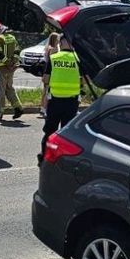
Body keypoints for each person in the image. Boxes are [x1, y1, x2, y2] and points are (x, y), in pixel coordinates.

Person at [40, 33, 81, 163]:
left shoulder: (54, 58)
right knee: (66, 133)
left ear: (61, 43)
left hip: (55, 101)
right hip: (71, 102)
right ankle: (63, 159)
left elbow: (45, 79)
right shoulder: (77, 60)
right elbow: (85, 81)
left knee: (50, 131)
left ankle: (45, 157)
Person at [0, 18, 23, 119]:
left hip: (2, 68)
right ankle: (18, 108)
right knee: (9, 88)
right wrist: (12, 63)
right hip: (11, 68)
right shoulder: (12, 37)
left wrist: (7, 63)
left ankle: (0, 112)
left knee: (1, 90)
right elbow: (17, 50)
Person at [39, 32, 60, 118]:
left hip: (45, 70)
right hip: (50, 71)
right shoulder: (53, 49)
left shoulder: (47, 48)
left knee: (45, 90)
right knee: (48, 91)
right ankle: (44, 109)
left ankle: (42, 108)